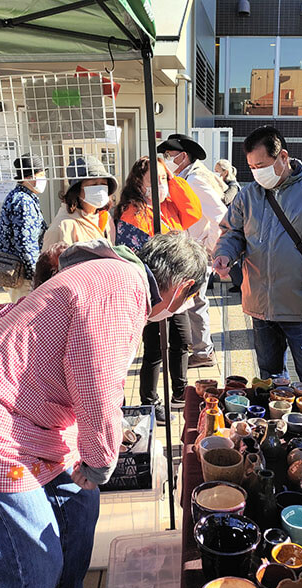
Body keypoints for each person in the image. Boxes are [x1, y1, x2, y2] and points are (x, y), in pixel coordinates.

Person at [0, 232, 208, 588]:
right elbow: (96, 383)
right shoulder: (121, 288)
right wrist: (101, 461)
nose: (181, 308)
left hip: (34, 419)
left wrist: (94, 460)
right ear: (183, 288)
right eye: (189, 301)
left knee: (80, 505)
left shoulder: (116, 276)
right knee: (36, 564)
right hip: (1, 427)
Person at [212, 125, 302, 409]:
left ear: (283, 157)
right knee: (270, 378)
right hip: (259, 304)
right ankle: (277, 429)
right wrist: (224, 254)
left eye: (261, 165)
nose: (257, 172)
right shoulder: (248, 195)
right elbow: (232, 232)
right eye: (251, 167)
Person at [115, 156, 202, 422]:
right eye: (154, 180)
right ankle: (150, 401)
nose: (160, 184)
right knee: (153, 349)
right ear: (138, 184)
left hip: (177, 290)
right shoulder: (132, 212)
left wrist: (172, 180)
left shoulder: (169, 206)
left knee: (182, 339)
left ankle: (180, 392)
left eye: (163, 179)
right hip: (152, 292)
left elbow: (193, 211)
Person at [158, 134, 228, 369]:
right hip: (192, 248)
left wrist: (211, 248)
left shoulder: (195, 179)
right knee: (194, 300)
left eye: (169, 155)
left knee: (196, 301)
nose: (167, 159)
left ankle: (203, 351)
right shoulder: (186, 176)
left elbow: (220, 216)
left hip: (196, 251)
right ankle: (201, 348)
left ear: (183, 156)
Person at [0, 153, 48, 301]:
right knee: (27, 315)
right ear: (28, 177)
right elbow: (25, 244)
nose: (44, 179)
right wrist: (36, 275)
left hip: (16, 270)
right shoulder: (24, 202)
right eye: (41, 175)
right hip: (24, 275)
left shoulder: (18, 196)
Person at [42, 156, 117, 250]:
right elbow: (50, 263)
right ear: (77, 190)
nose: (100, 189)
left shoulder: (105, 218)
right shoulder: (62, 227)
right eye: (94, 184)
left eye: (103, 184)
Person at [215, 158, 244, 292]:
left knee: (233, 257)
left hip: (232, 224)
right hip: (228, 224)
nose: (215, 174)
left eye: (217, 172)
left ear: (225, 173)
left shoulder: (233, 186)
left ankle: (240, 284)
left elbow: (226, 199)